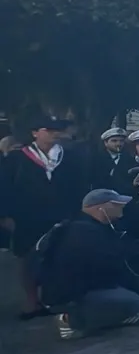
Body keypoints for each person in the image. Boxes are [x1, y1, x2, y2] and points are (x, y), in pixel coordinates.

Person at [37, 189, 139, 339]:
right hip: (72, 292)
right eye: (116, 204)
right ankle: (70, 320)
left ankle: (123, 312)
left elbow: (124, 247)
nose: (122, 207)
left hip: (91, 281)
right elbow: (122, 251)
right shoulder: (83, 230)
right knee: (135, 302)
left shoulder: (90, 224)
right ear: (101, 208)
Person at [1, 117, 88, 319]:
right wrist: (4, 215)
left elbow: (80, 187)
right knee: (28, 259)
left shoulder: (70, 157)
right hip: (27, 217)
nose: (54, 133)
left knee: (62, 257)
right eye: (48, 129)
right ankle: (31, 302)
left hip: (63, 215)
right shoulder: (16, 159)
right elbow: (4, 188)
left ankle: (58, 298)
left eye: (56, 130)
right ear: (35, 133)